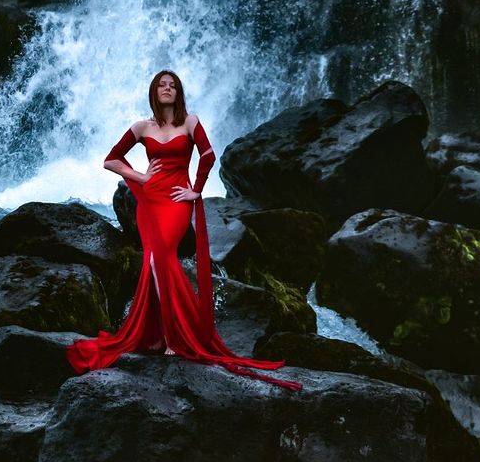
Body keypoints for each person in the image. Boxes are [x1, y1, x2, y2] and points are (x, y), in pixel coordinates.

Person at [65, 70, 303, 389]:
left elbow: (208, 154)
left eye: (172, 85)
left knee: (162, 255)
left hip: (178, 197)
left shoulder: (189, 121)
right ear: (154, 91)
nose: (167, 89)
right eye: (162, 85)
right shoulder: (141, 127)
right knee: (153, 260)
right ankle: (161, 337)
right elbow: (111, 160)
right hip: (151, 200)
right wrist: (141, 177)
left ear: (178, 93)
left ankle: (177, 336)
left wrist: (197, 189)